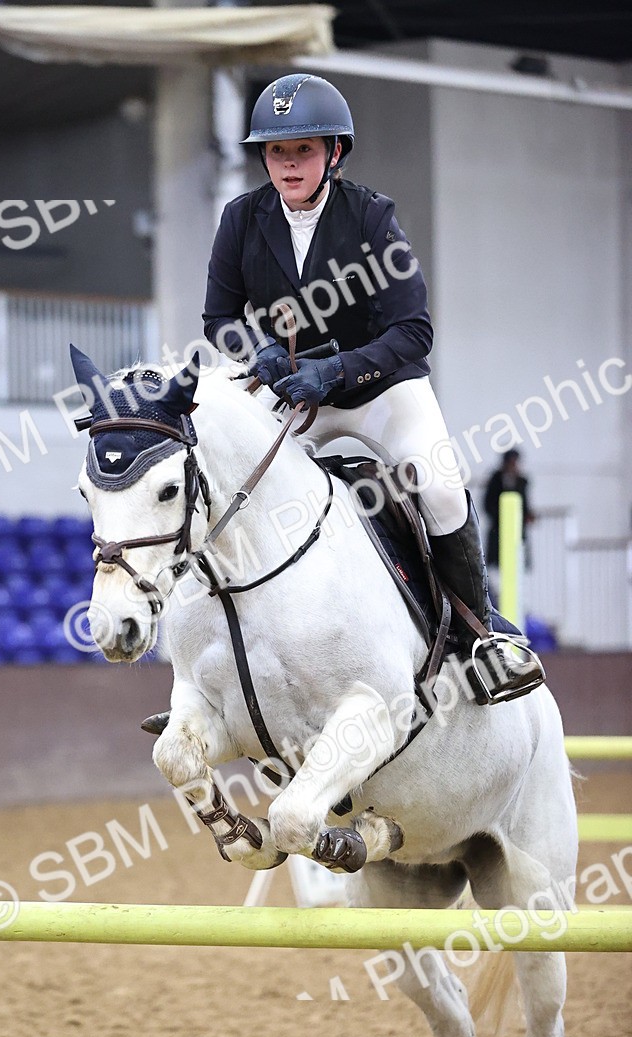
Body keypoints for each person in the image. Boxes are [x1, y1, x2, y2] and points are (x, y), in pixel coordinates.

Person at [200, 72, 544, 705]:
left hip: (379, 392)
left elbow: (413, 331)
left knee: (439, 485)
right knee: (229, 487)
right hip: (294, 398)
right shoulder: (242, 219)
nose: (288, 164)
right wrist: (262, 352)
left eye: (302, 149)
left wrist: (334, 372)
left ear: (334, 152)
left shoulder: (371, 215)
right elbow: (219, 318)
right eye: (277, 151)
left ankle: (481, 638)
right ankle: (221, 660)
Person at [484, 449, 535, 594]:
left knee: (517, 573)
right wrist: (502, 516)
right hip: (498, 534)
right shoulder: (495, 479)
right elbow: (488, 504)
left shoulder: (522, 481)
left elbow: (525, 505)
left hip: (517, 534)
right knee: (496, 575)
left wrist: (528, 516)